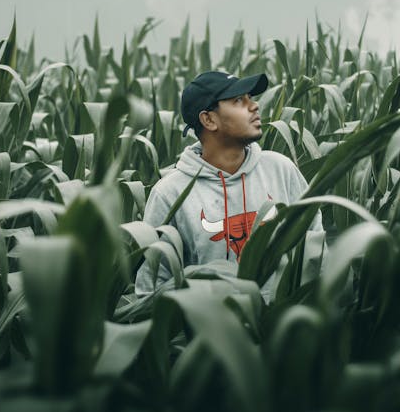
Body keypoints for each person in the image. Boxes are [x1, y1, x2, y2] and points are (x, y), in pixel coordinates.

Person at [135, 70, 325, 296]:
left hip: (282, 326)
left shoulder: (281, 170)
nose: (254, 106)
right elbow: (152, 287)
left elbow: (316, 252)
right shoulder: (170, 194)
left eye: (251, 98)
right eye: (238, 101)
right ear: (209, 120)